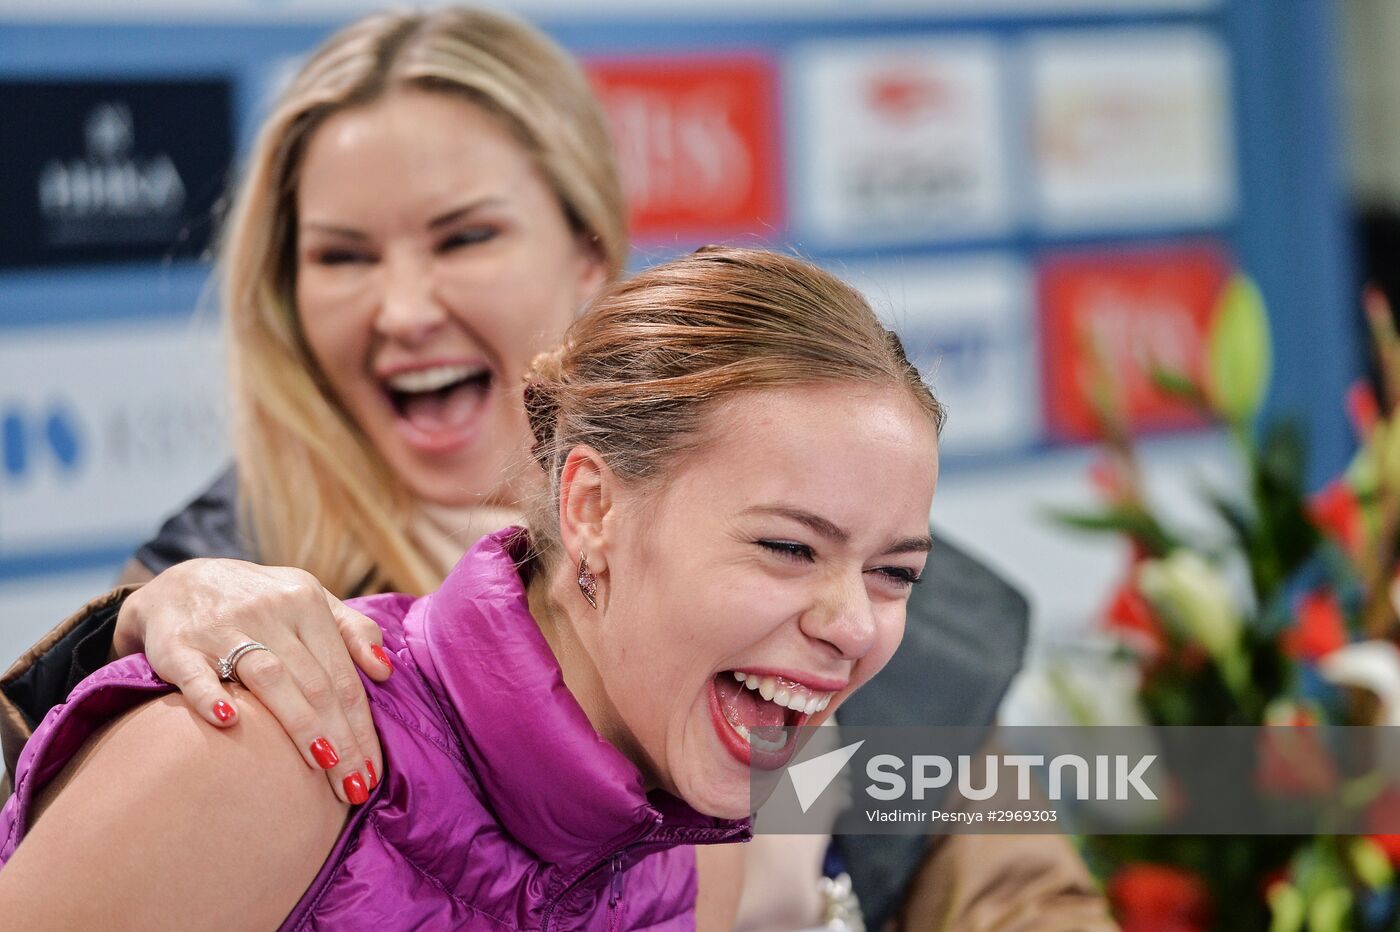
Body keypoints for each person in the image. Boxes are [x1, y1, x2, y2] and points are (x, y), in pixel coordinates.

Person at [0, 7, 1111, 929]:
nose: (400, 307)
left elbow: (1015, 895)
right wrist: (128, 632)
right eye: (341, 255)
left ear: (586, 249)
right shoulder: (222, 620)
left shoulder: (840, 588)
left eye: (462, 236)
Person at [0, 246, 943, 930]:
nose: (852, 624)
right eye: (786, 547)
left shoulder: (697, 848)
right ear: (592, 509)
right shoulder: (251, 757)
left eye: (896, 572)